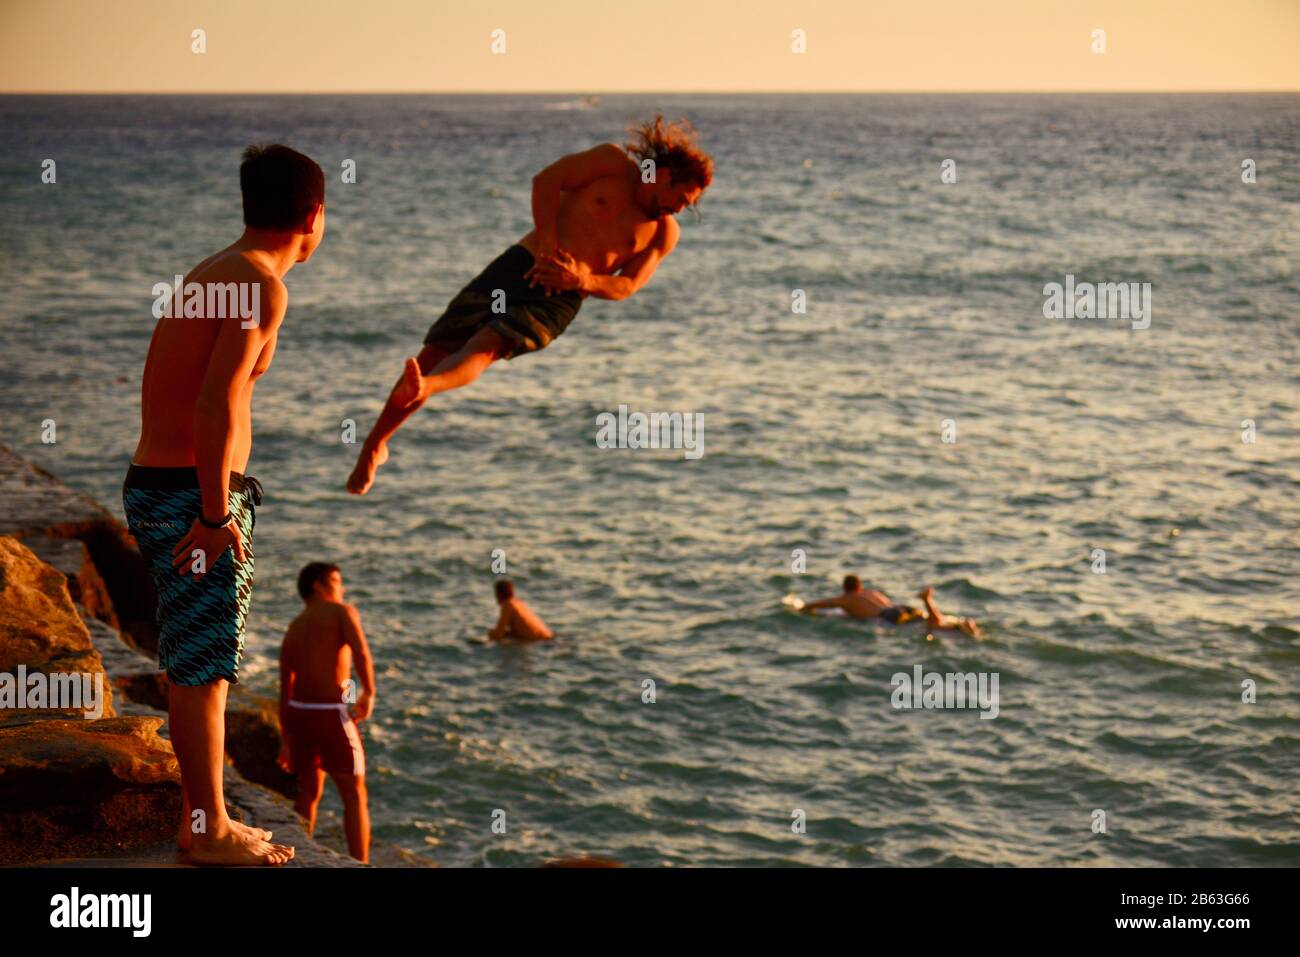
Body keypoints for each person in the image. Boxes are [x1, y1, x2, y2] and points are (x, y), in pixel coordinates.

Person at [122, 143, 326, 865]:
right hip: (190, 496)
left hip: (164, 483)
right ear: (313, 215)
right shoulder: (261, 284)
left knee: (193, 663)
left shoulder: (216, 270)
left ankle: (199, 819)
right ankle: (206, 829)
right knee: (204, 670)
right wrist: (213, 517)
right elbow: (214, 405)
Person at [346, 114, 714, 494]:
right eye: (681, 200)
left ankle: (427, 387)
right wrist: (550, 246)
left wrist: (581, 279)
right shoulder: (610, 164)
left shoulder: (663, 233)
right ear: (665, 175)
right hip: (523, 262)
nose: (678, 210)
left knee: (487, 346)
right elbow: (548, 181)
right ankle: (375, 444)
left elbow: (627, 285)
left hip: (560, 297)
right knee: (436, 349)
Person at [277, 562, 375, 863]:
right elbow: (359, 652)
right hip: (329, 712)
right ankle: (360, 863)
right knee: (355, 794)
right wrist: (367, 692)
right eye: (336, 581)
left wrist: (286, 739)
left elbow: (285, 688)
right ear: (319, 585)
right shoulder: (341, 612)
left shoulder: (294, 625)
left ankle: (300, 856)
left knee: (308, 791)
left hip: (298, 713)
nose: (341, 588)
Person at [802, 576, 982, 637]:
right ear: (860, 586)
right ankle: (957, 627)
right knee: (925, 621)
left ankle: (928, 601)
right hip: (899, 608)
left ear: (846, 589)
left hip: (887, 617)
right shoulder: (872, 592)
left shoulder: (845, 599)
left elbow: (822, 604)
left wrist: (803, 608)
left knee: (928, 628)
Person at [488, 579, 554, 642]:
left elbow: (498, 635)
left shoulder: (507, 605)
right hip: (549, 637)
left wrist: (491, 633)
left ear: (498, 594)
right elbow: (522, 629)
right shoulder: (519, 603)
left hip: (540, 642)